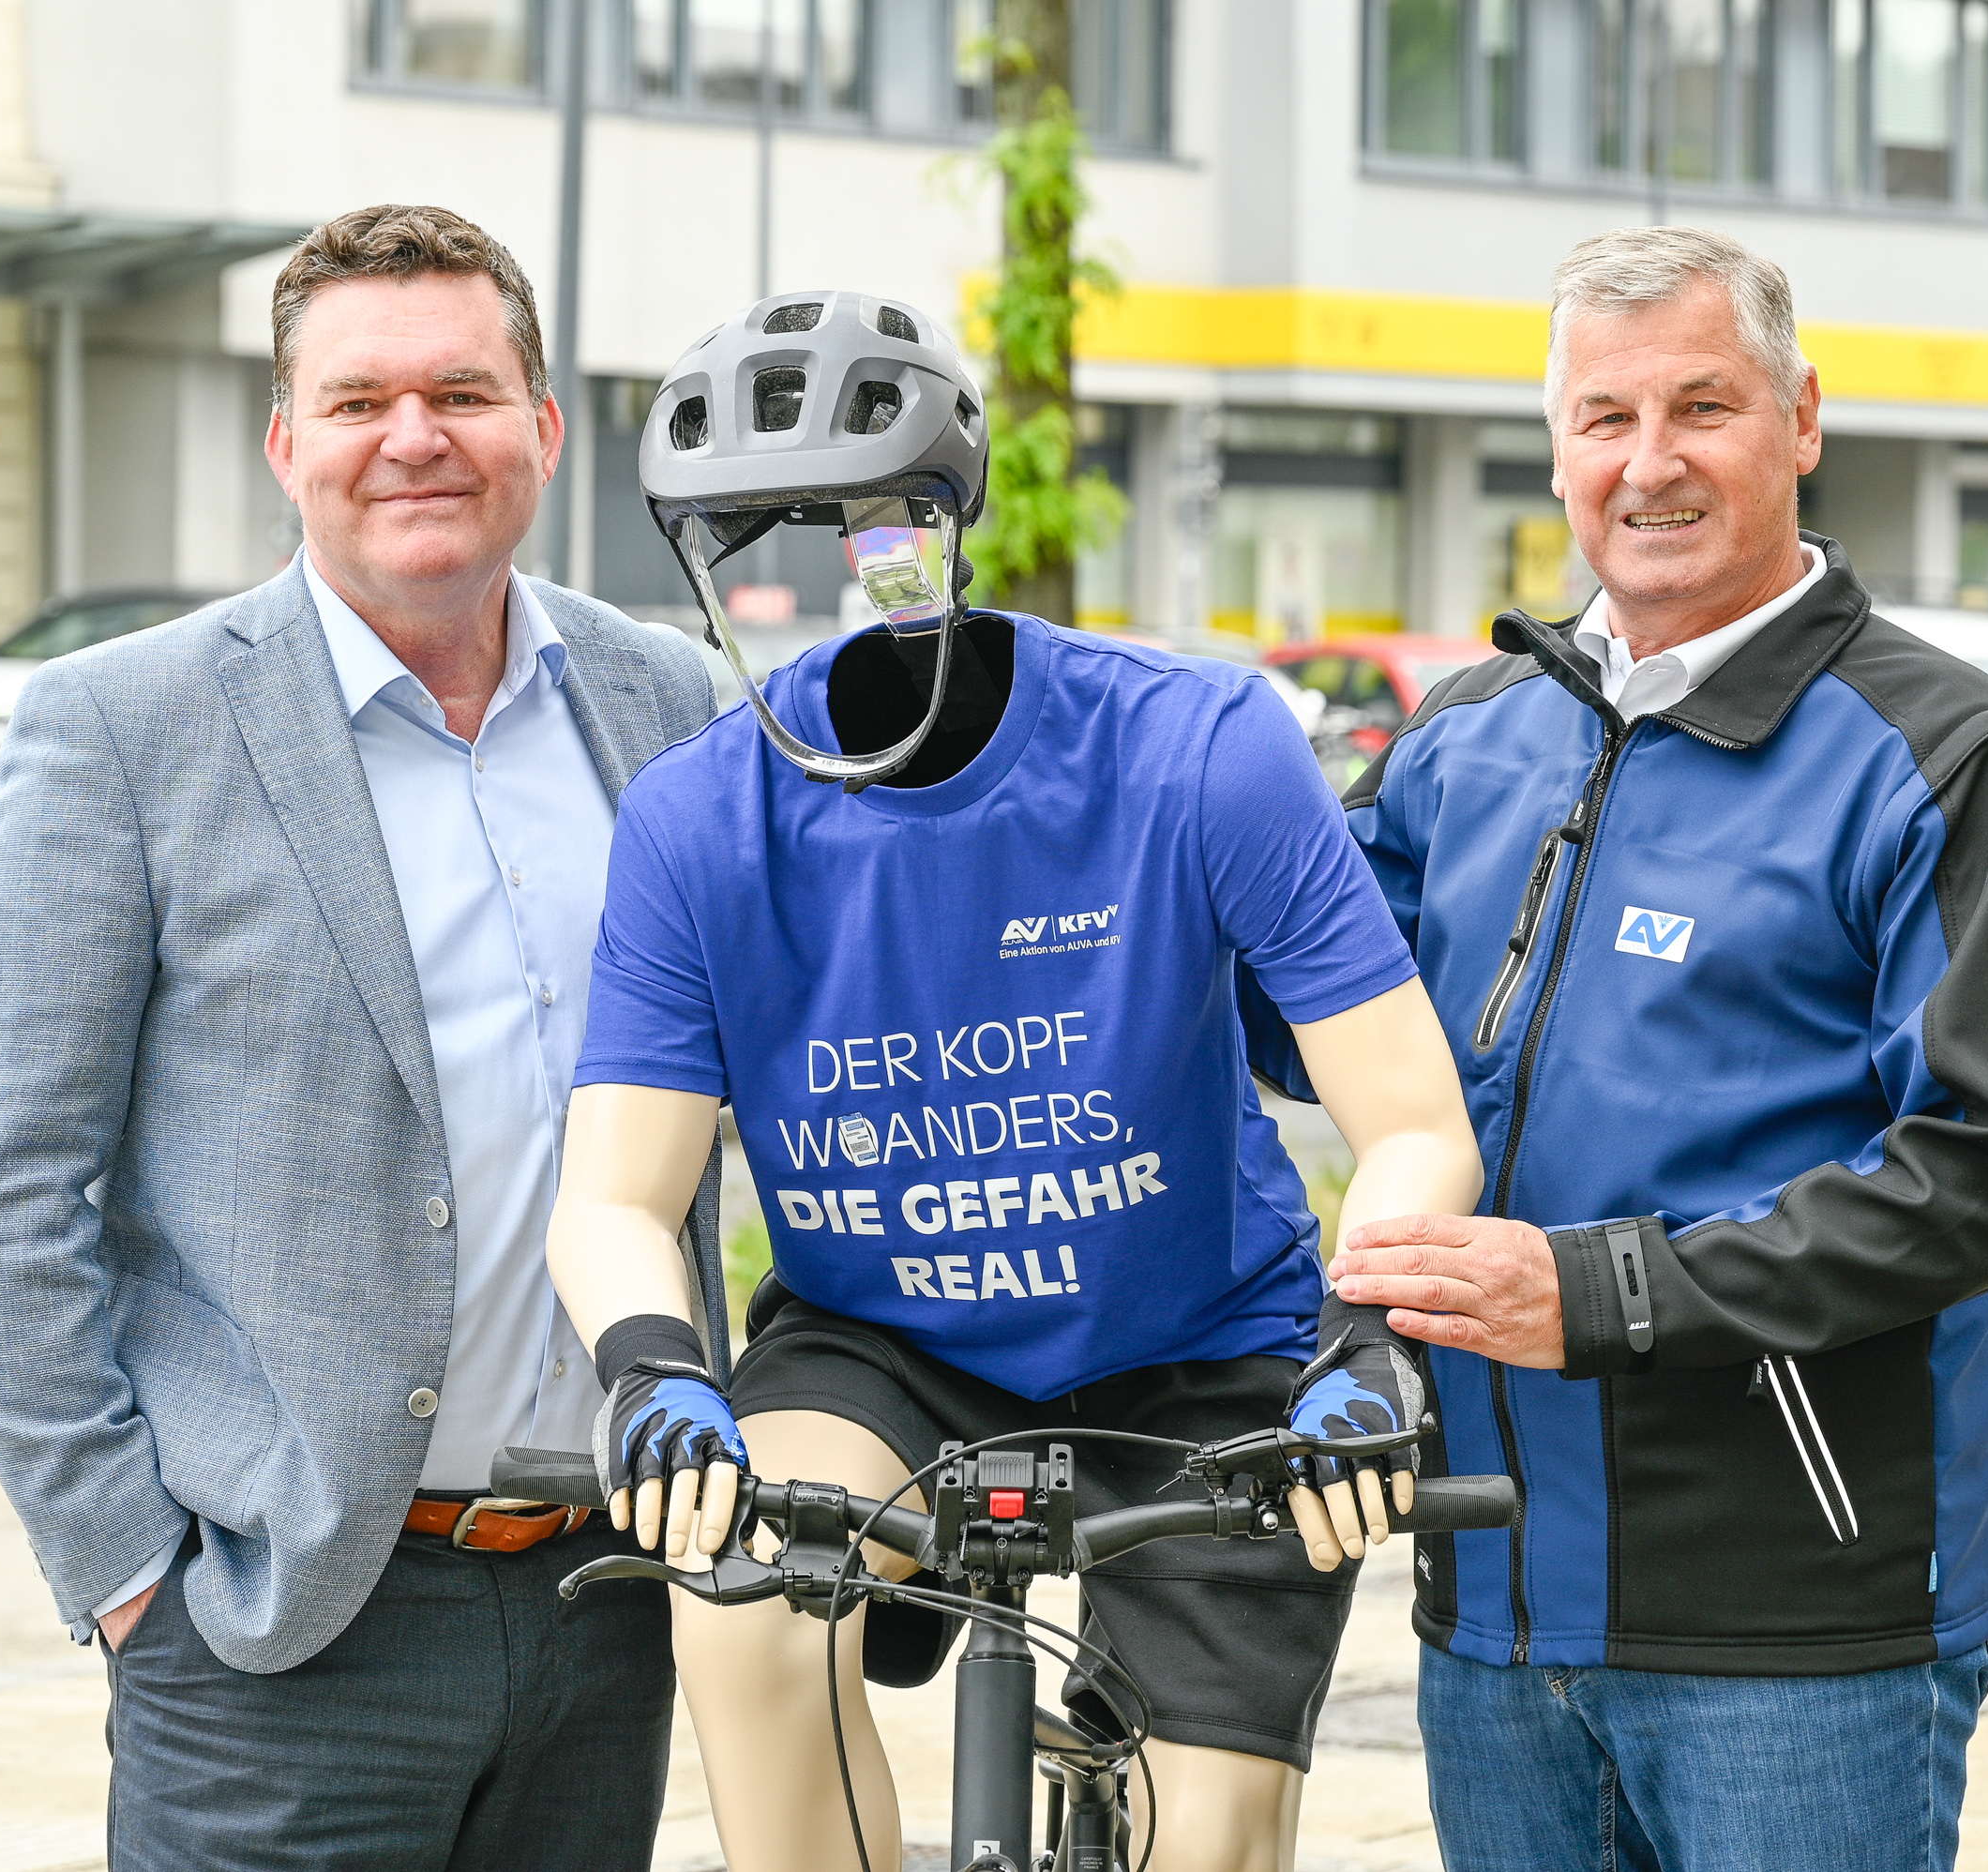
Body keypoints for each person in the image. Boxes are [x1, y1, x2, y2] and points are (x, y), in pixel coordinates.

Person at [540, 291, 1484, 1872]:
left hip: (1204, 1348)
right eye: (767, 539)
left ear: (944, 526)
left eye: (877, 522)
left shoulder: (1200, 747)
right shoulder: (698, 821)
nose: (848, 563)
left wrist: (1371, 1346)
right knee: (745, 1606)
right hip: (886, 1343)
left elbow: (1411, 1122)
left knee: (1213, 1834)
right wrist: (654, 1375)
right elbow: (616, 1197)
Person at [0, 204, 722, 1870]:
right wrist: (132, 1575)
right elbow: (0, 1197)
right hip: (282, 1633)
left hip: (610, 1601)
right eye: (359, 401)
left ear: (543, 428)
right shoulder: (122, 731)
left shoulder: (659, 700)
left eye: (463, 392)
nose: (415, 437)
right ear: (287, 444)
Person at [1310, 226, 1988, 1870]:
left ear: (1802, 419)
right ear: (1558, 452)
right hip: (1495, 1599)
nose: (1650, 462)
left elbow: (1980, 1178)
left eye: (1703, 407)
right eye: (1605, 418)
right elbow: (1304, 1011)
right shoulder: (1466, 742)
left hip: (1799, 1624)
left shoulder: (1951, 762)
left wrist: (1597, 1295)